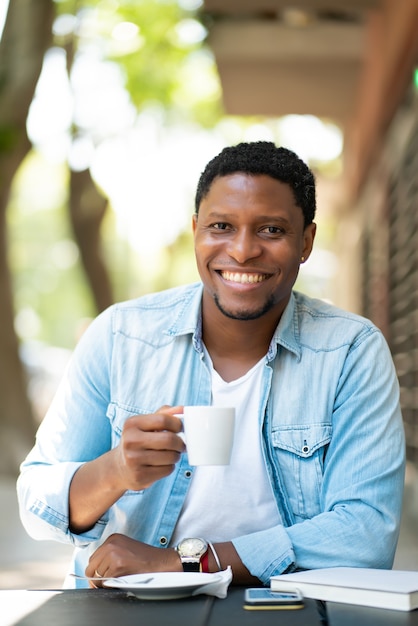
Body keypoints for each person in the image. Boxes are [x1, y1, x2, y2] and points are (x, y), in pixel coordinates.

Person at [17, 141, 405, 589]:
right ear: (197, 230)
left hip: (281, 608)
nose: (241, 251)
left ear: (307, 242)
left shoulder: (350, 351)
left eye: (271, 230)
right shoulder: (120, 337)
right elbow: (35, 504)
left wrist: (189, 562)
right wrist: (115, 471)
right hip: (126, 608)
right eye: (221, 226)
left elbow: (366, 534)